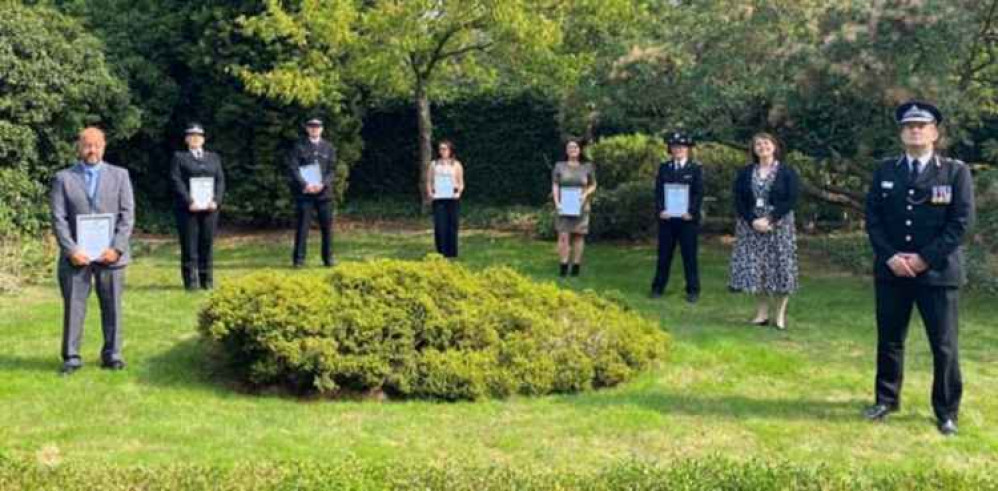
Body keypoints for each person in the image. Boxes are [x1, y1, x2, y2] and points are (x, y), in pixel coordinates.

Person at [862, 101, 975, 437]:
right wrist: (890, 256)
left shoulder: (955, 172)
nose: (915, 130)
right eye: (909, 126)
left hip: (938, 273)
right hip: (892, 271)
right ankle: (886, 399)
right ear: (901, 133)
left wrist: (924, 258)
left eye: (921, 126)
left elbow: (961, 224)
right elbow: (873, 220)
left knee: (944, 345)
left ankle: (946, 411)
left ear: (934, 133)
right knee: (890, 340)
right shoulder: (885, 170)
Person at [50, 127, 135, 374]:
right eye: (87, 145)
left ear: (104, 146)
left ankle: (113, 354)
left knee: (113, 306)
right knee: (74, 306)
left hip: (111, 257)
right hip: (77, 257)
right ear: (79, 147)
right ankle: (72, 357)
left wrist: (117, 248)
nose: (92, 150)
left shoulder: (120, 176)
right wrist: (71, 250)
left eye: (97, 145)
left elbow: (127, 216)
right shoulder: (63, 178)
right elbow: (58, 218)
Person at [728, 132, 800, 330]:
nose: (762, 147)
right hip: (751, 227)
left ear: (774, 147)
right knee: (757, 270)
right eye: (757, 144)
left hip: (779, 227)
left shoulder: (787, 172)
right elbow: (739, 200)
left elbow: (791, 199)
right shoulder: (745, 172)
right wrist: (753, 220)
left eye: (766, 143)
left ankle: (779, 315)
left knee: (781, 269)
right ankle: (762, 313)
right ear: (753, 150)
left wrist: (770, 219)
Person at [170, 123, 225, 290]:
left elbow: (220, 180)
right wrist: (189, 201)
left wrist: (216, 200)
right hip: (189, 210)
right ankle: (191, 282)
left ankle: (207, 280)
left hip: (209, 209)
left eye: (198, 136)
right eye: (192, 135)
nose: (195, 139)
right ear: (187, 139)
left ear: (203, 139)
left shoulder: (213, 158)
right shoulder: (179, 157)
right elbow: (176, 180)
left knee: (206, 245)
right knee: (189, 245)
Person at [651, 131, 704, 303]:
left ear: (688, 149)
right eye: (675, 147)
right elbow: (658, 192)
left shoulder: (695, 169)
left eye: (681, 147)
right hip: (667, 219)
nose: (678, 150)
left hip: (687, 220)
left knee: (689, 255)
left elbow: (698, 193)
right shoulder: (664, 168)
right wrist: (660, 210)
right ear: (670, 149)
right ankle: (658, 287)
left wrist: (692, 211)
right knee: (664, 255)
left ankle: (693, 289)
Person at [287, 117, 337, 268]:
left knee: (327, 228)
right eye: (311, 127)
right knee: (302, 227)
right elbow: (293, 168)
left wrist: (323, 184)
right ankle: (299, 260)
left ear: (322, 129)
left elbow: (332, 170)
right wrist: (305, 184)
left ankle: (328, 258)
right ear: (307, 129)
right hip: (305, 193)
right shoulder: (299, 147)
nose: (314, 129)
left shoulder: (329, 147)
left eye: (317, 127)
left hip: (324, 194)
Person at [552, 138, 597, 277]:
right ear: (566, 150)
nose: (573, 150)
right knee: (563, 235)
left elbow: (593, 184)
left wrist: (585, 195)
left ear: (579, 150)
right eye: (570, 147)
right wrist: (557, 202)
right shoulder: (559, 166)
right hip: (564, 205)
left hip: (581, 206)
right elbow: (555, 185)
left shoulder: (587, 167)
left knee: (578, 236)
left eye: (575, 147)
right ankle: (563, 266)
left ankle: (576, 267)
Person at [425, 139, 465, 258]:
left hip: (452, 198)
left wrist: (459, 193)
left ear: (450, 150)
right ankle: (441, 252)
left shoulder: (456, 165)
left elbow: (461, 183)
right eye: (440, 149)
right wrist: (429, 193)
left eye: (445, 149)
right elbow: (429, 181)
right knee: (440, 225)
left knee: (452, 225)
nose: (442, 151)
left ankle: (452, 253)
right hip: (439, 199)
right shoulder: (434, 164)